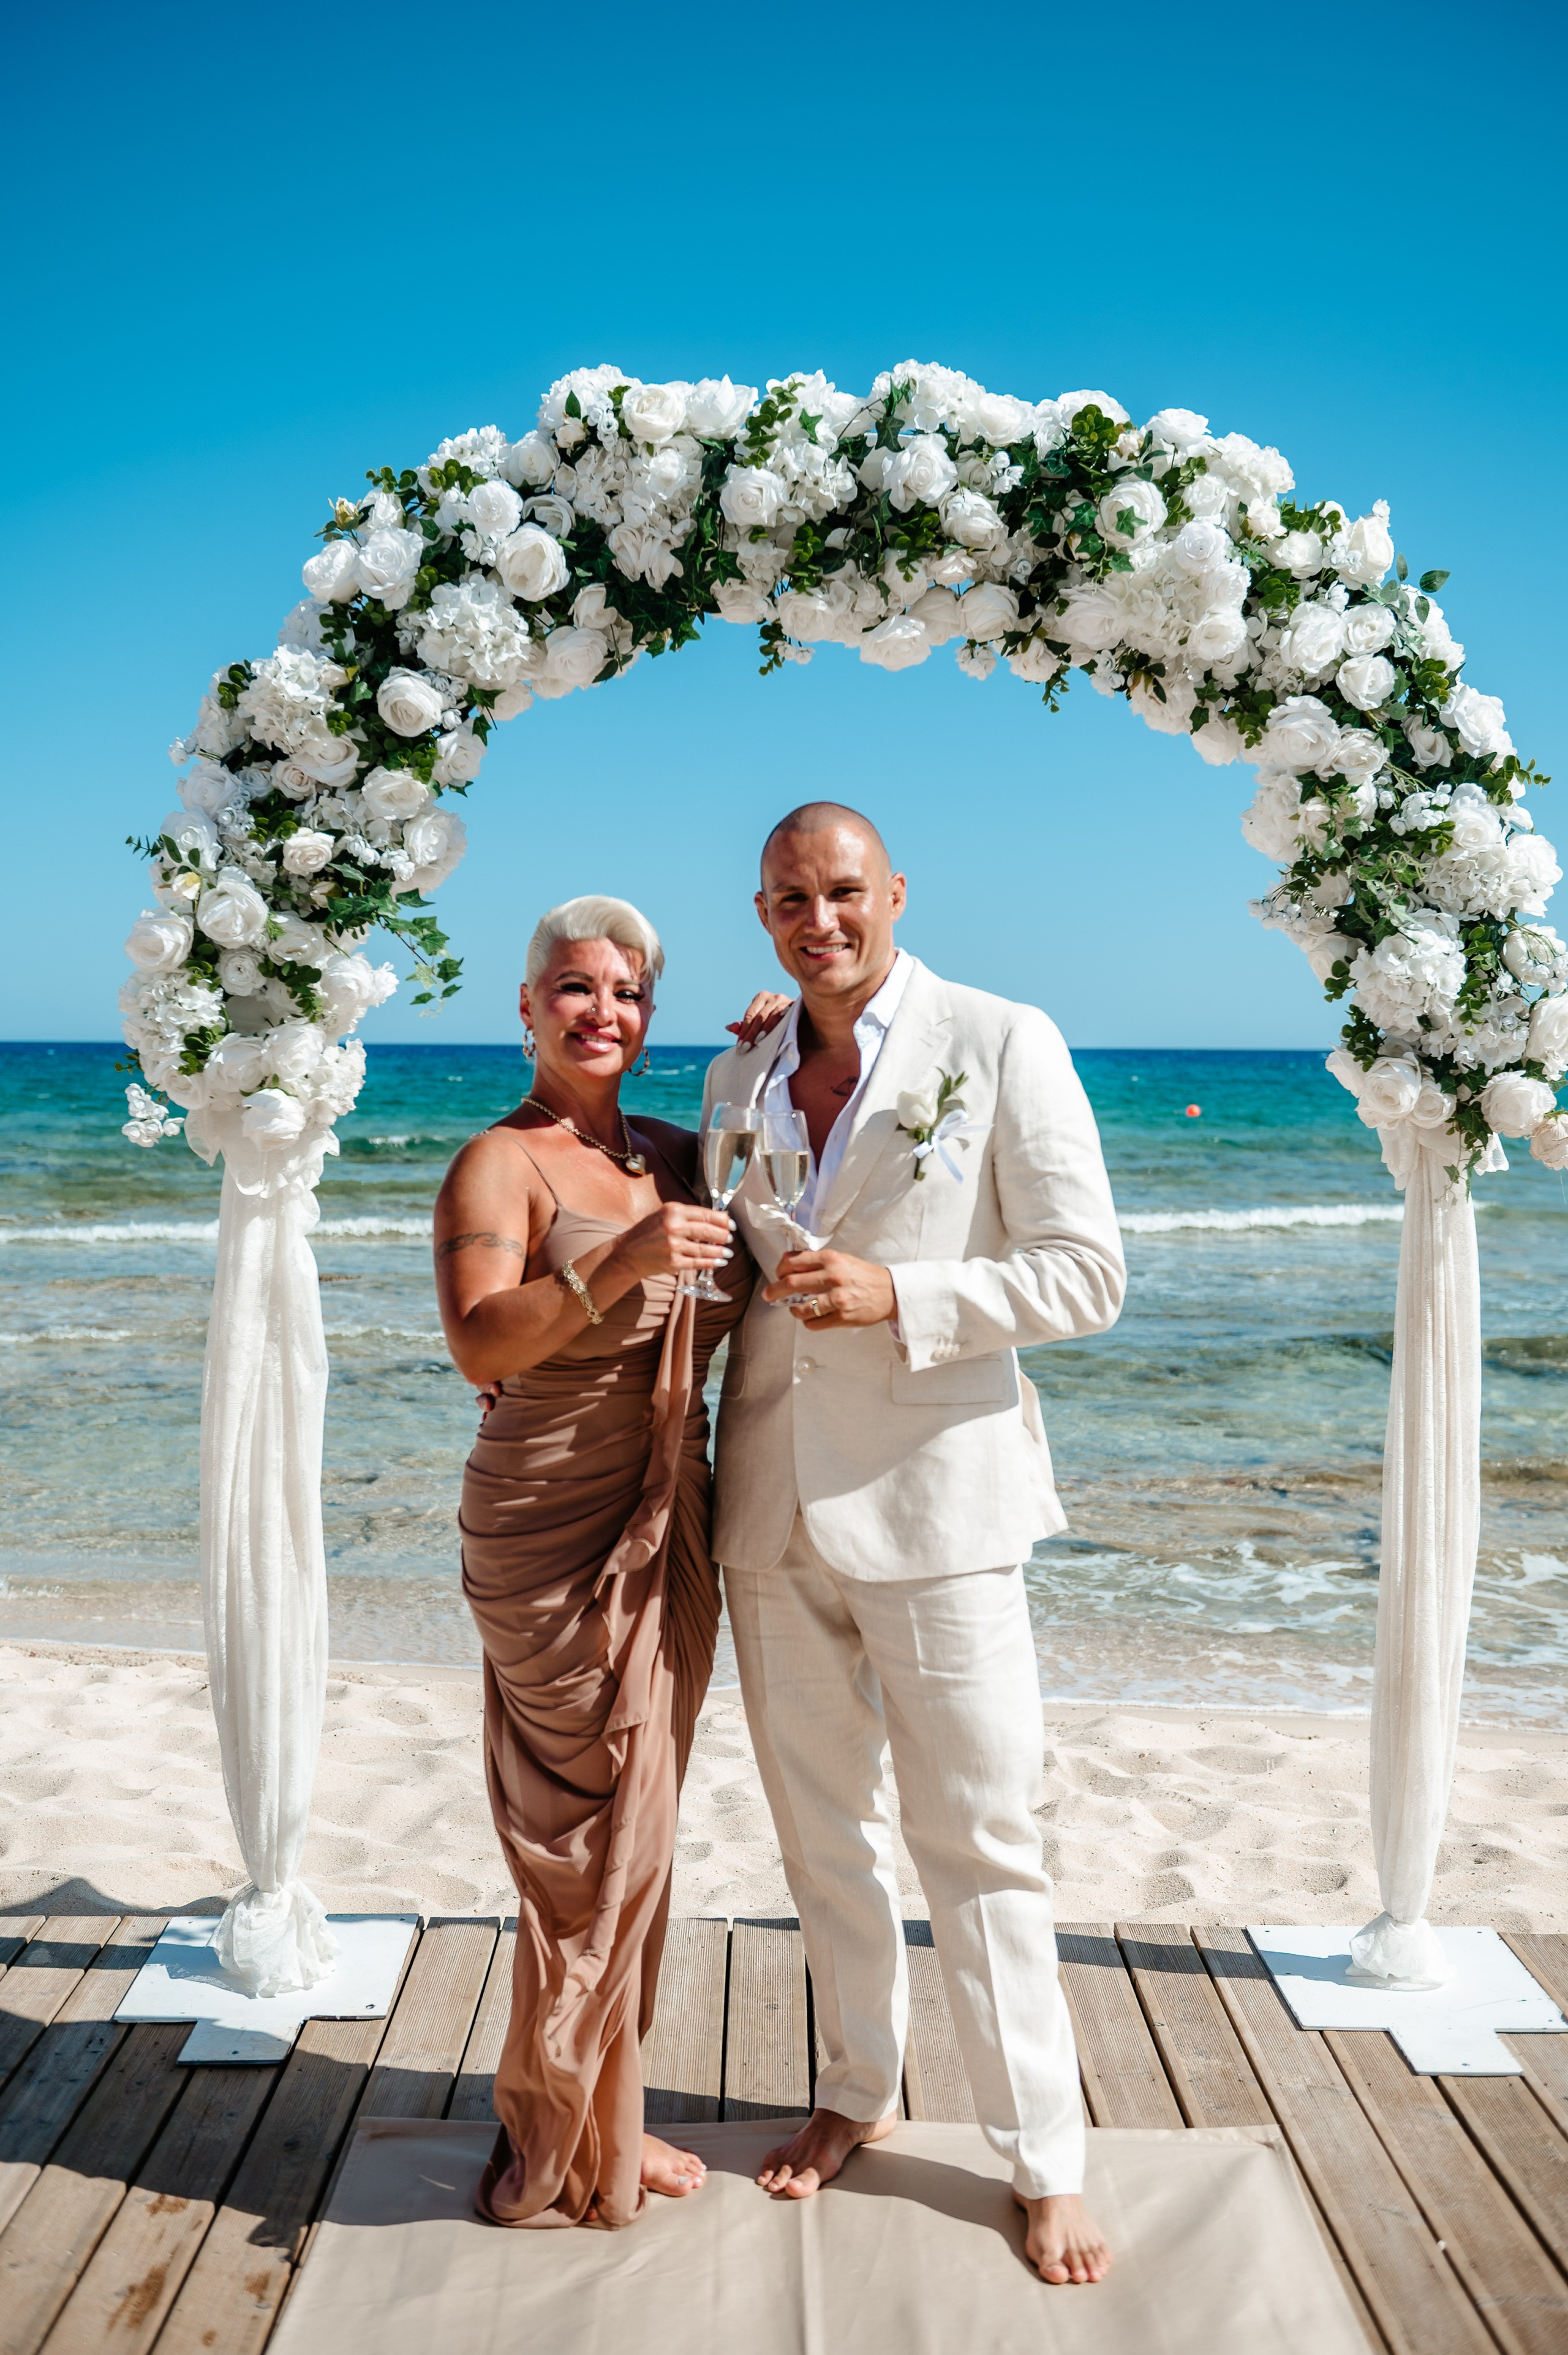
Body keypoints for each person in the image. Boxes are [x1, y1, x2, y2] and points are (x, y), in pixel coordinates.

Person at [708, 804, 1126, 2285]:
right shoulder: (738, 1068)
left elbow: (1085, 1275)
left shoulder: (1002, 1038)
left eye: (841, 891)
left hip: (942, 1501)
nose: (816, 919)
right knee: (820, 1833)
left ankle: (1043, 2154)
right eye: (788, 899)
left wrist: (907, 1294)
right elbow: (730, 1246)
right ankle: (854, 2086)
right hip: (768, 1497)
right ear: (762, 913)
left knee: (980, 1834)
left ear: (892, 891)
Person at [434, 895, 778, 2230]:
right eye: (576, 988)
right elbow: (478, 1342)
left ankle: (605, 2114)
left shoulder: (683, 1155)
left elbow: (786, 1206)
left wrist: (774, 1046)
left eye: (627, 993)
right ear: (528, 1006)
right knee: (583, 1844)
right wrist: (621, 1262)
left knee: (641, 1826)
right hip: (543, 1526)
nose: (603, 1013)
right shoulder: (498, 1162)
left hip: (669, 1518)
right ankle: (560, 2128)